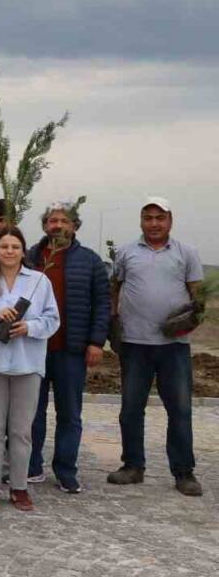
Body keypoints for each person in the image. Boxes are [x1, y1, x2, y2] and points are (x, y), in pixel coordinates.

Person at [108, 197, 205, 497]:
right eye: (148, 217)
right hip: (135, 344)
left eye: (159, 218)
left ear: (170, 220)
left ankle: (184, 471)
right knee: (131, 408)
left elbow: (197, 298)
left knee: (180, 409)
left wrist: (188, 322)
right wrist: (114, 323)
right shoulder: (125, 252)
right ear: (141, 221)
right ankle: (133, 466)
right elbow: (115, 289)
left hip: (173, 346)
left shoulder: (187, 253)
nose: (154, 223)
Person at [0, 227, 60, 512]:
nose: (9, 252)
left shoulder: (39, 281)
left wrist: (28, 327)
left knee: (21, 431)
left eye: (15, 247)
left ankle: (20, 487)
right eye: (4, 246)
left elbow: (52, 319)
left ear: (23, 251)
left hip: (27, 365)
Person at [25, 202, 111, 493]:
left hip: (71, 349)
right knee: (30, 412)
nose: (57, 225)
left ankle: (65, 470)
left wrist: (96, 341)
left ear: (75, 226)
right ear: (45, 225)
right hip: (33, 347)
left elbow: (102, 304)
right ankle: (31, 466)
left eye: (64, 220)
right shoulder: (30, 258)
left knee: (70, 414)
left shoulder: (90, 261)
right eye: (52, 220)